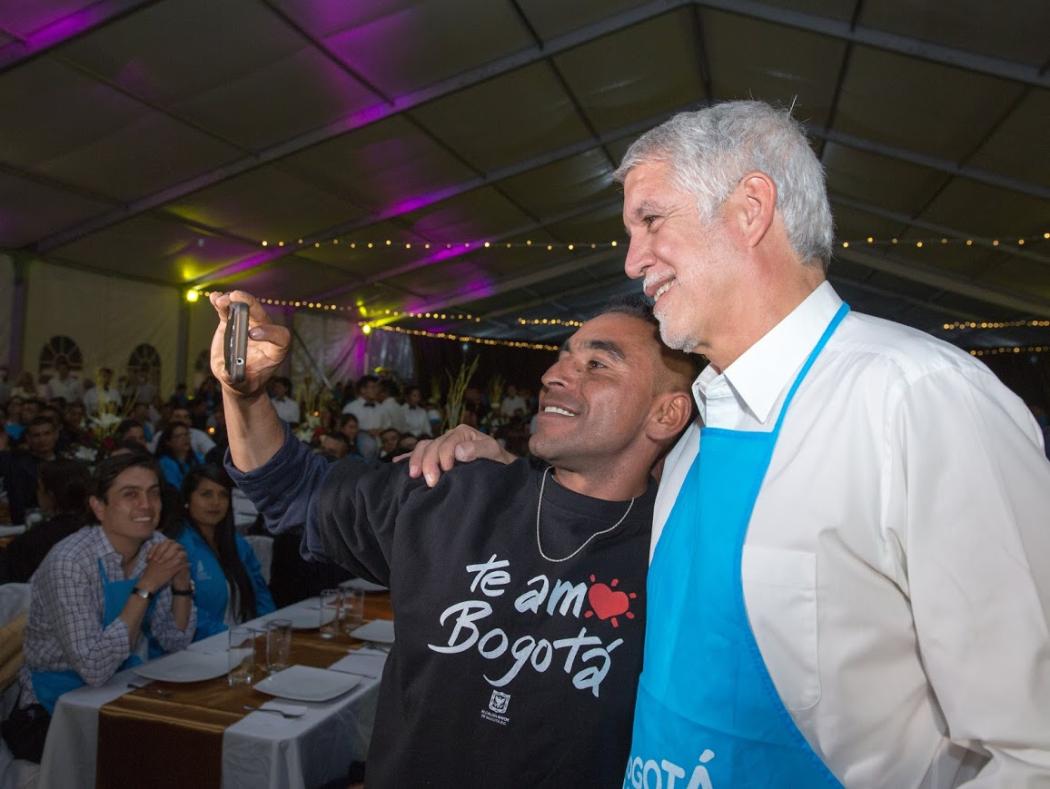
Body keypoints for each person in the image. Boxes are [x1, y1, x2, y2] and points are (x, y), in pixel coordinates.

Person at [409, 101, 1050, 787]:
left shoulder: (915, 400)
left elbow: (1030, 748)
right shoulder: (693, 440)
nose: (632, 261)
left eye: (651, 220)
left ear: (750, 209)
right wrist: (507, 470)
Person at [210, 290, 696, 787]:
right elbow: (292, 491)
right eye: (563, 356)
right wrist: (243, 395)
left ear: (667, 414)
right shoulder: (456, 491)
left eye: (597, 365)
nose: (553, 376)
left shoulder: (684, 560)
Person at [3, 452, 195, 762]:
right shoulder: (70, 562)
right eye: (130, 494)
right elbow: (93, 668)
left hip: (121, 689)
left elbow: (176, 640)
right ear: (98, 506)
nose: (146, 505)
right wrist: (145, 587)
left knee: (192, 743)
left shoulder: (154, 545)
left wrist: (181, 582)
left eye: (153, 493)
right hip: (55, 709)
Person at [163, 465, 274, 643]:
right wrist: (235, 637)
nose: (216, 502)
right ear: (187, 499)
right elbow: (185, 614)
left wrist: (267, 626)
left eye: (222, 495)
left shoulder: (237, 544)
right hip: (203, 649)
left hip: (248, 640)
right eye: (206, 494)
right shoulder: (177, 547)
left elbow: (260, 592)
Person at [0, 459, 91, 583]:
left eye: (39, 488)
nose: (37, 492)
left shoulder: (31, 542)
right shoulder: (106, 530)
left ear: (50, 495)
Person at [0, 416, 61, 523]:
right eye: (36, 435)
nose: (42, 439)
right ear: (28, 439)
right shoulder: (19, 467)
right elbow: (18, 507)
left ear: (56, 435)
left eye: (47, 433)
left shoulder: (65, 463)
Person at [154, 423, 203, 490]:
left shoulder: (199, 457)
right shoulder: (165, 463)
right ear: (168, 442)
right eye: (178, 436)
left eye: (186, 434)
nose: (185, 438)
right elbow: (174, 489)